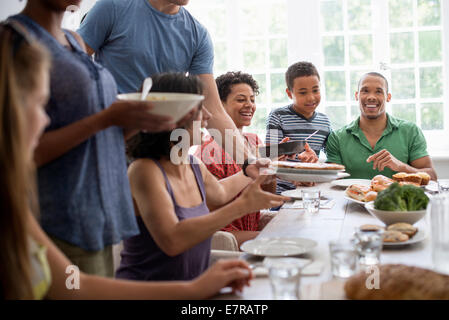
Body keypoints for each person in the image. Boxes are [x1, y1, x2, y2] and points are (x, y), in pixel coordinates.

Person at [0, 21, 252, 300]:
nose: (46, 119)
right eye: (39, 104)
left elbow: (75, 285)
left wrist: (196, 288)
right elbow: (172, 239)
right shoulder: (144, 171)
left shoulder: (17, 212)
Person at [8, 0, 180, 277]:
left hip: (100, 216)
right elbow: (16, 152)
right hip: (58, 219)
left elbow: (99, 135)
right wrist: (106, 118)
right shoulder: (14, 41)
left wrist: (138, 121)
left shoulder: (75, 42)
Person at [116, 72, 289, 281]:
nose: (208, 116)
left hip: (190, 288)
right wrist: (242, 206)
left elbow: (221, 192)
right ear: (173, 116)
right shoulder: (144, 170)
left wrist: (249, 171)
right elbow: (173, 241)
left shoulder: (192, 164)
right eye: (200, 108)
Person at [78, 0, 251, 163]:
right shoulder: (112, 7)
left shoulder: (197, 34)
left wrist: (249, 162)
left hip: (161, 149)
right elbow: (70, 65)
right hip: (111, 142)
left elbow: (214, 110)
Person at [194, 71, 276, 246]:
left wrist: (272, 167)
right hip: (225, 236)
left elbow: (268, 194)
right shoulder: (208, 151)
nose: (249, 105)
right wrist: (251, 171)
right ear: (219, 105)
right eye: (241, 100)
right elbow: (210, 207)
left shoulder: (254, 141)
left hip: (250, 228)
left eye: (252, 100)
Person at [325, 72, 437, 180]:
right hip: (352, 199)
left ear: (388, 97)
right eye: (365, 91)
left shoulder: (410, 131)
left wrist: (401, 167)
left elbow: (432, 177)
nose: (371, 97)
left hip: (398, 199)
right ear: (356, 96)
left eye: (378, 92)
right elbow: (331, 181)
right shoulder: (337, 138)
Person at [266, 61, 332, 194]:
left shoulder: (324, 122)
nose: (311, 97)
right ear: (289, 94)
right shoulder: (277, 116)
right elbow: (269, 157)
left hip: (310, 191)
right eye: (303, 93)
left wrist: (316, 163)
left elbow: (332, 161)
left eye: (315, 90)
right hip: (281, 193)